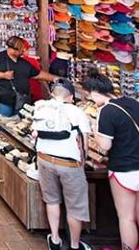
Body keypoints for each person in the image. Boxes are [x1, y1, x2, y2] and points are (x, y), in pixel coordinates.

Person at [84, 68, 139, 250]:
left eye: (89, 96)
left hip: (124, 170)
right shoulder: (133, 103)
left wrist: (93, 127)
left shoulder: (106, 112)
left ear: (94, 92)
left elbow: (105, 145)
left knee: (126, 217)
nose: (91, 100)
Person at [33, 78, 92, 250]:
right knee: (75, 206)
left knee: (51, 201)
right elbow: (84, 143)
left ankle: (56, 240)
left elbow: (35, 134)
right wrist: (83, 161)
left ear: (52, 94)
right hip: (69, 164)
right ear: (71, 97)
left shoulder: (40, 107)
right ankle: (74, 245)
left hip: (44, 159)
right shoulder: (77, 112)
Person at [0, 36, 58, 118]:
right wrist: (3, 75)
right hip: (5, 101)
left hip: (22, 100)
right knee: (3, 124)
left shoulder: (23, 62)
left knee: (20, 125)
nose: (23, 51)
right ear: (14, 49)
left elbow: (38, 74)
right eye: (21, 49)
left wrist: (56, 79)